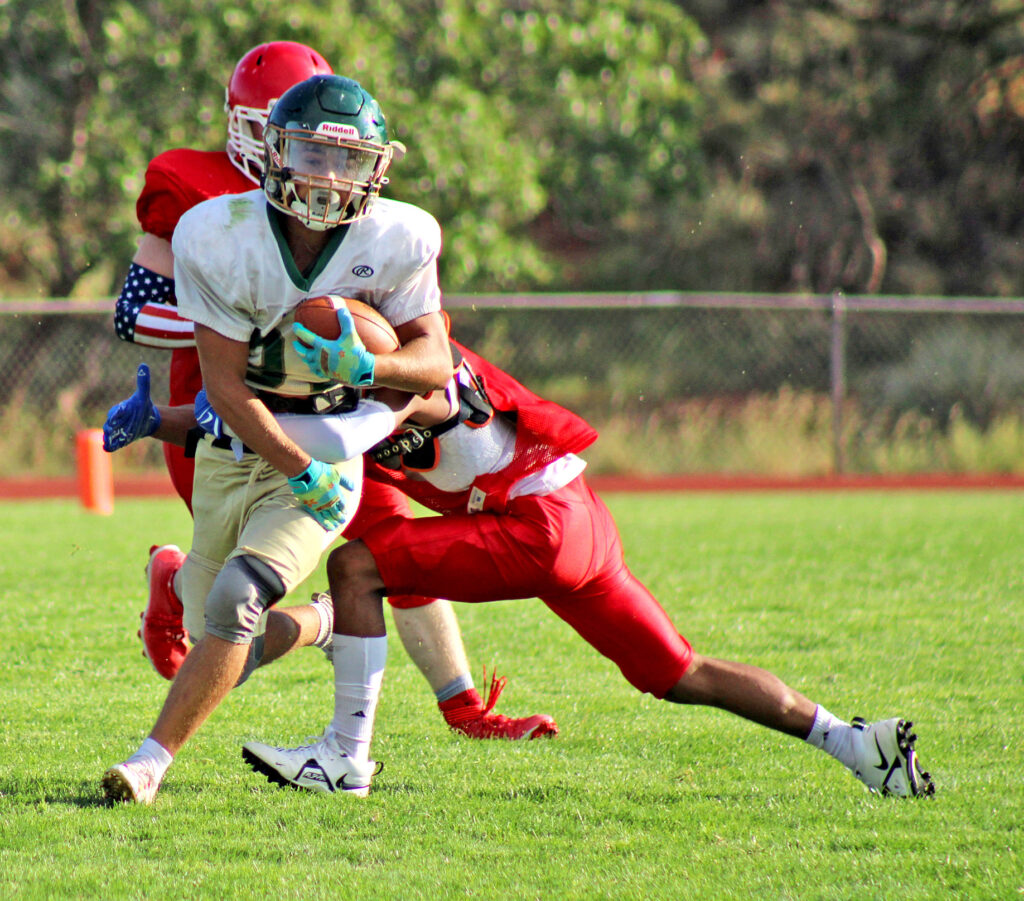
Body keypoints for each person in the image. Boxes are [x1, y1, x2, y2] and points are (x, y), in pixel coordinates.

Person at [99, 72, 546, 808]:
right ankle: (324, 623)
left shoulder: (399, 236)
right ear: (274, 151)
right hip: (236, 449)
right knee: (216, 630)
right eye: (311, 153)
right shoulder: (219, 234)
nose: (328, 176)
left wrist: (370, 366)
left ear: (376, 166)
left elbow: (435, 362)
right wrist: (182, 427)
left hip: (333, 453)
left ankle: (149, 763)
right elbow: (227, 390)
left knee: (237, 601)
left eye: (347, 159)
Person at [238, 338, 936, 799]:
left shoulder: (420, 378)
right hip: (577, 515)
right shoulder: (396, 365)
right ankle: (853, 743)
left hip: (538, 525)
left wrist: (323, 389)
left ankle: (343, 758)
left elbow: (421, 395)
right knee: (679, 672)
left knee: (354, 568)